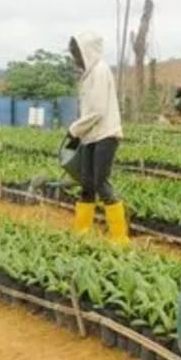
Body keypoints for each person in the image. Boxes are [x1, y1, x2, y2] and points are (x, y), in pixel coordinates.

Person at [68, 33, 127, 243]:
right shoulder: (88, 74)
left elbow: (98, 111)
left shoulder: (100, 71)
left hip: (105, 134)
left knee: (101, 183)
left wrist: (74, 129)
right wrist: (79, 133)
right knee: (86, 183)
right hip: (90, 136)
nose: (75, 58)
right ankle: (81, 232)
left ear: (87, 51)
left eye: (77, 53)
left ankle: (120, 239)